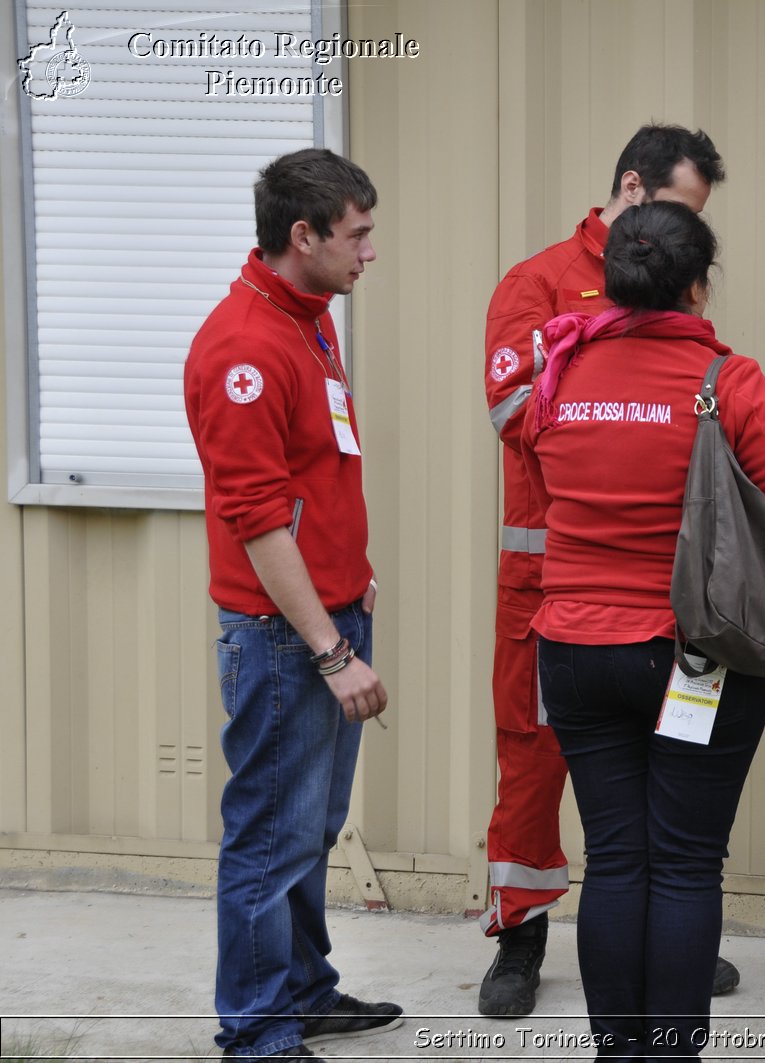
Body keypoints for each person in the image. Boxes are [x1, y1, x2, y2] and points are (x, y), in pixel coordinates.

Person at [522, 200, 765, 1058]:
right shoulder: (728, 382)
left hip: (574, 649)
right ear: (697, 285)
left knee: (615, 858)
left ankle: (618, 1050)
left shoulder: (560, 374)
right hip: (693, 653)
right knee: (688, 863)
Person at [478, 124, 734, 1016]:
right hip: (551, 574)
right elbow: (510, 404)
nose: (688, 233)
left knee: (673, 763)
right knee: (533, 753)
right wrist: (589, 351)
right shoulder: (540, 281)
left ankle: (670, 935)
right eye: (678, 209)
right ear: (632, 186)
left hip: (660, 586)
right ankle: (520, 936)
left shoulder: (674, 284)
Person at [184, 148, 402, 1061]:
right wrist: (329, 645)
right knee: (270, 835)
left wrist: (354, 587)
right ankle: (257, 1030)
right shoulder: (244, 348)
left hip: (330, 615)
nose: (369, 253)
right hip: (287, 640)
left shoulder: (308, 319)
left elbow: (319, 470)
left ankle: (302, 991)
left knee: (308, 826)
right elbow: (258, 519)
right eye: (357, 235)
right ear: (302, 235)